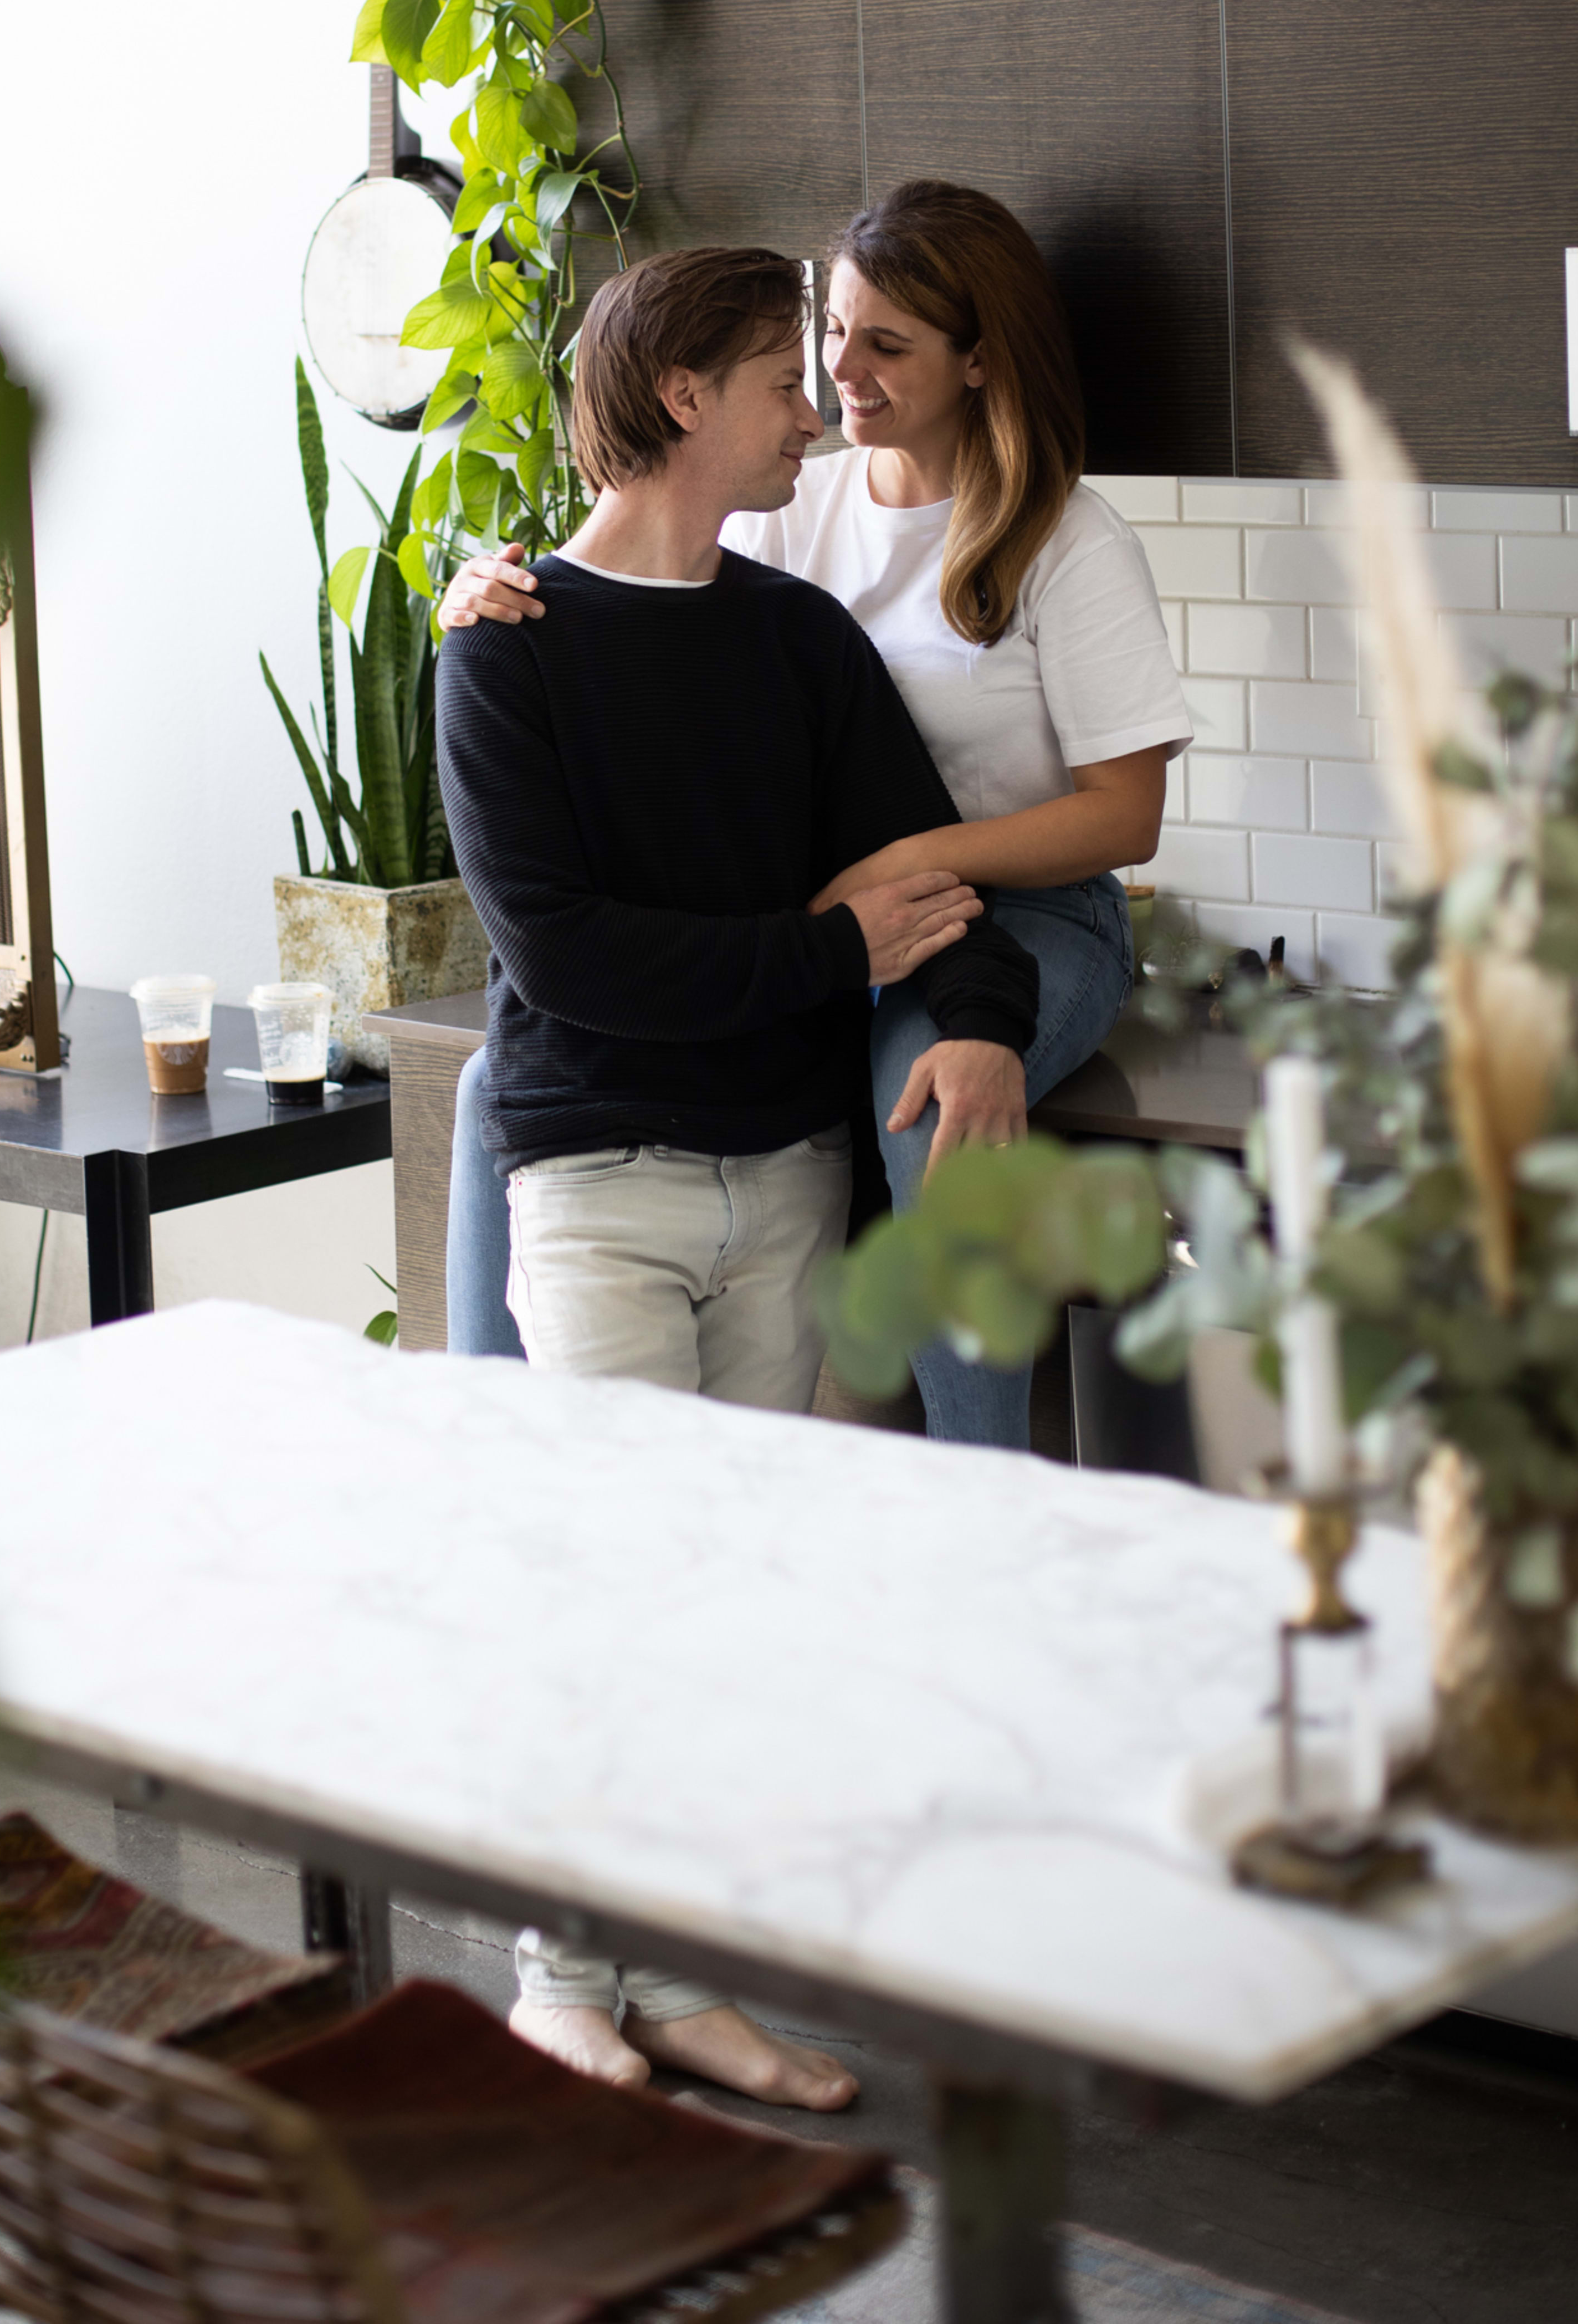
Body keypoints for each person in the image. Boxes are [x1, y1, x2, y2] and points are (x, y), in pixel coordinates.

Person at [435, 241, 1039, 2103]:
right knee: (607, 1584)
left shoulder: (795, 642)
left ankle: (680, 1984)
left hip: (776, 1182)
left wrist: (983, 1016)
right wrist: (824, 953)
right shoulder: (506, 643)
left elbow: (922, 877)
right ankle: (561, 1982)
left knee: (718, 1601)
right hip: (595, 1179)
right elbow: (573, 959)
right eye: (784, 379)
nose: (815, 412)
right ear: (684, 397)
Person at [442, 180, 1192, 1447]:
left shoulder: (1066, 538)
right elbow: (658, 595)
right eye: (825, 341)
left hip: (1016, 906)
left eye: (881, 345)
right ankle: (477, 1447)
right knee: (494, 1084)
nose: (836, 380)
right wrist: (500, 587)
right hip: (848, 907)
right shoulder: (798, 505)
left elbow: (1124, 819)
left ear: (976, 362)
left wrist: (911, 900)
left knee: (926, 1088)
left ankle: (978, 1478)